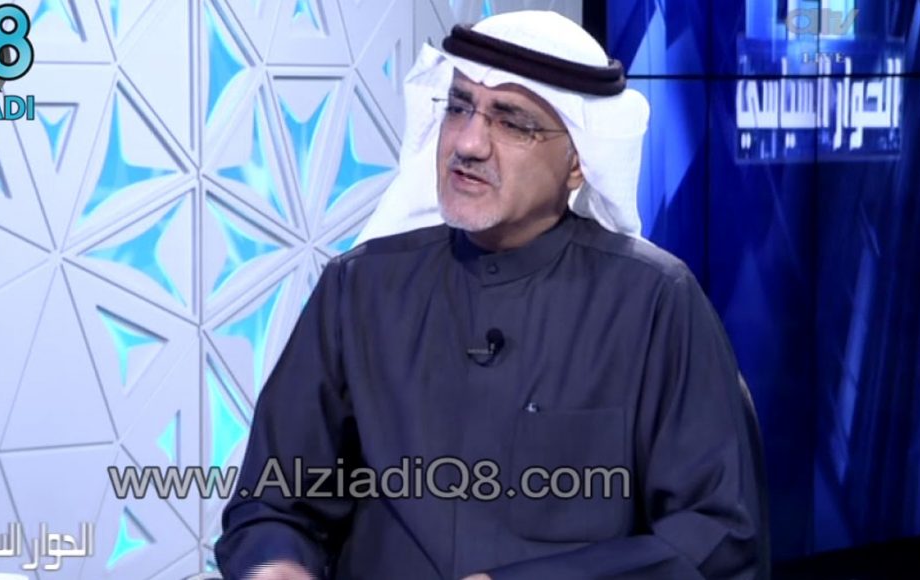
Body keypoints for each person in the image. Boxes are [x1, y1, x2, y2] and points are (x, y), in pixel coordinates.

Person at [214, 10, 768, 580]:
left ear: (579, 162)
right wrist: (273, 564)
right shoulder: (358, 289)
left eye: (513, 123)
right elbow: (273, 503)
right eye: (459, 108)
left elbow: (715, 536)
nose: (469, 143)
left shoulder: (654, 302)